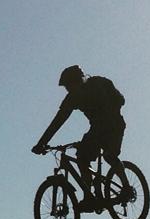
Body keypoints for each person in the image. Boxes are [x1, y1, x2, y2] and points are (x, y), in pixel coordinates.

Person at [31, 65, 127, 211]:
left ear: (79, 80)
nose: (69, 90)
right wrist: (42, 143)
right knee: (82, 157)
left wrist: (107, 112)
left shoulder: (98, 84)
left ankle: (126, 188)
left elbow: (120, 100)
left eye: (70, 85)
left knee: (109, 155)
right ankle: (89, 197)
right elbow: (58, 121)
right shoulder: (72, 98)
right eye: (67, 87)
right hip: (96, 129)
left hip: (114, 125)